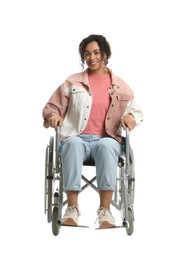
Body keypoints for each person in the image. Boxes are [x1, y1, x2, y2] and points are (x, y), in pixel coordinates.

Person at [42, 34, 143, 229]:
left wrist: (131, 118)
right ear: (83, 57)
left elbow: (136, 111)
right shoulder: (72, 82)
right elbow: (51, 107)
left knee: (106, 145)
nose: (92, 57)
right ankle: (71, 209)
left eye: (96, 52)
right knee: (72, 143)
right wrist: (53, 116)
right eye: (87, 54)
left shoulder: (120, 86)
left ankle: (105, 212)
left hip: (107, 139)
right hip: (76, 136)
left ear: (105, 54)